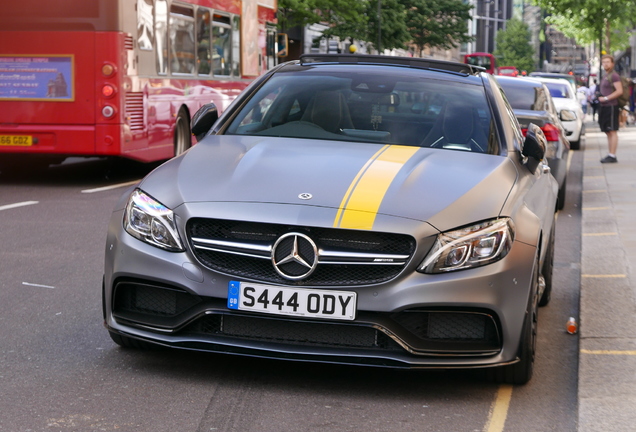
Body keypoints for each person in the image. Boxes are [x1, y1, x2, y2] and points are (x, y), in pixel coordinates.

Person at [598, 55, 623, 163]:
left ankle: (612, 155)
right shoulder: (605, 75)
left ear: (612, 63)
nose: (606, 64)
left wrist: (606, 98)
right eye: (604, 62)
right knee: (608, 131)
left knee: (612, 130)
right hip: (605, 106)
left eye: (608, 62)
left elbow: (619, 91)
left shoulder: (614, 76)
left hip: (611, 106)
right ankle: (610, 153)